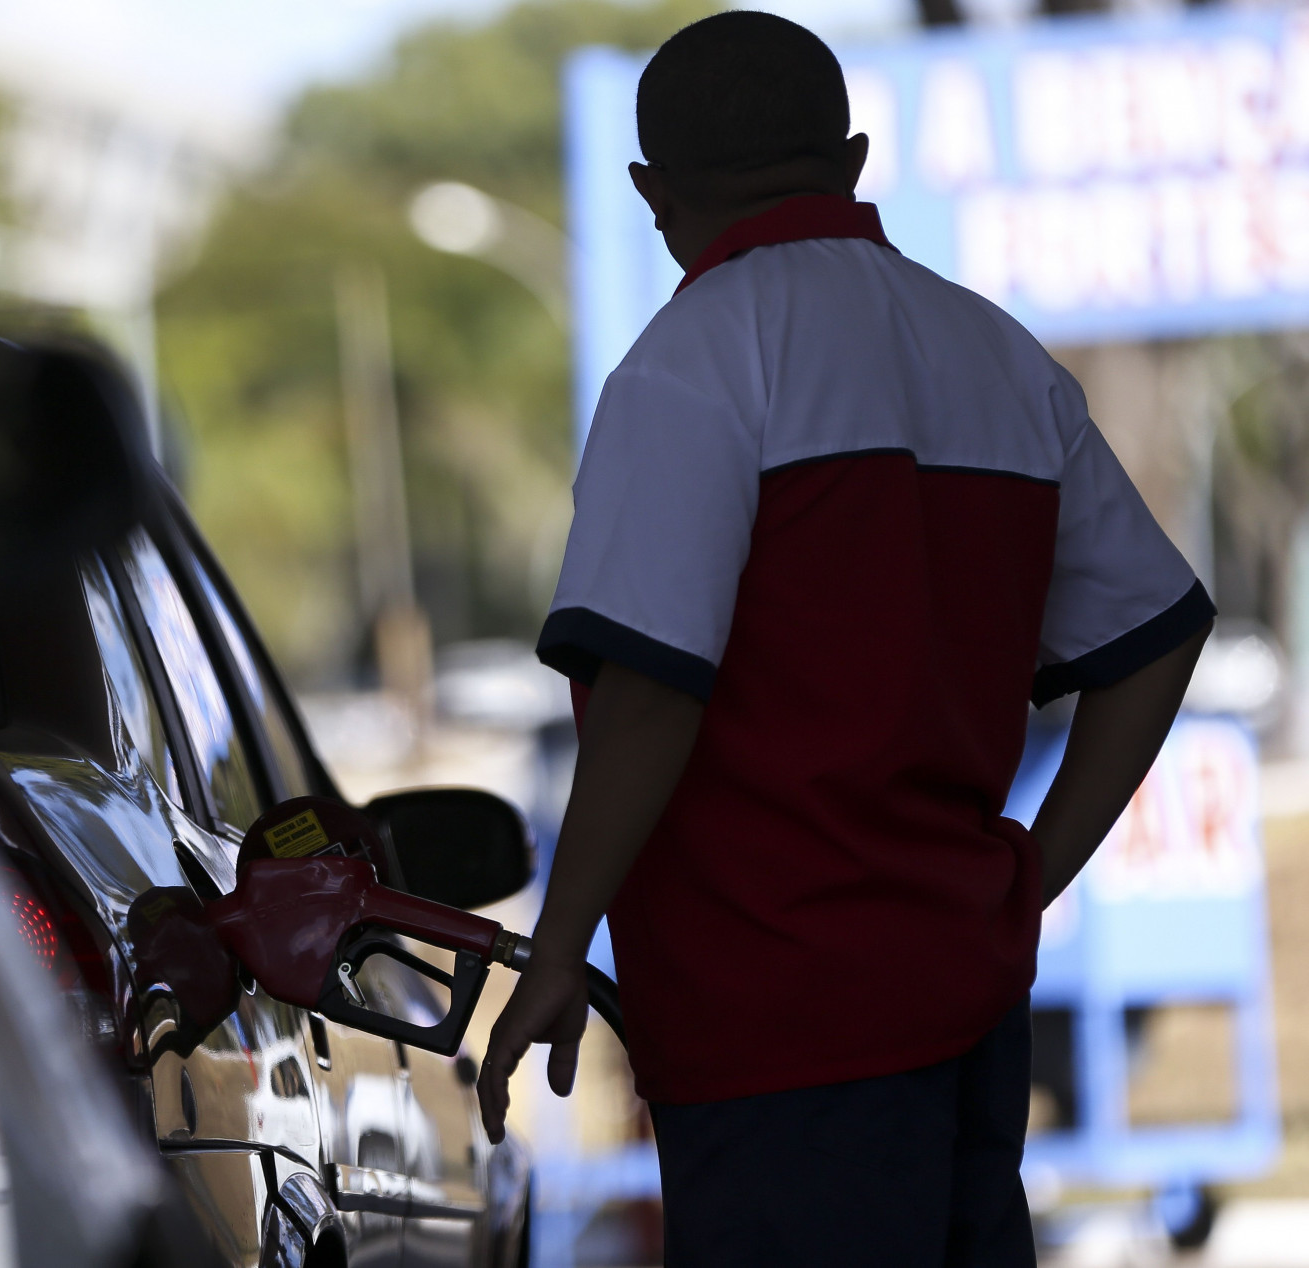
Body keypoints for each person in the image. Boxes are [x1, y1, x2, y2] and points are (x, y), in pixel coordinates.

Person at [476, 12, 1212, 1265]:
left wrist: (557, 947)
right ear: (854, 159)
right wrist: (1024, 879)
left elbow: (649, 691)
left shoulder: (691, 362)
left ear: (653, 192)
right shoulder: (996, 355)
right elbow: (1155, 635)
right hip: (962, 996)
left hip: (772, 1020)